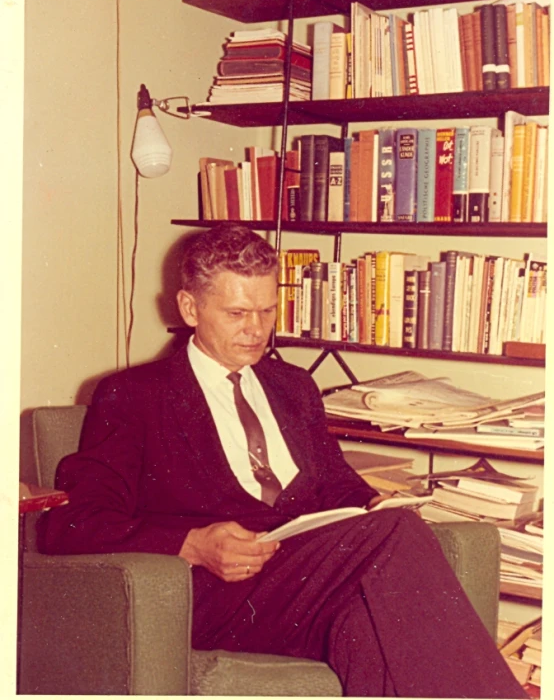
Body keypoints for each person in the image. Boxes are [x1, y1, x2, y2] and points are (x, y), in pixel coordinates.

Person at [38, 224, 527, 699]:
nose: (256, 330)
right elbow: (71, 523)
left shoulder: (294, 386)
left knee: (367, 626)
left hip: (302, 587)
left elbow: (336, 485)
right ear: (190, 307)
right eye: (236, 313)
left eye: (267, 311)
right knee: (396, 533)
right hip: (214, 593)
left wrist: (371, 502)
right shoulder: (134, 394)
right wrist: (191, 544)